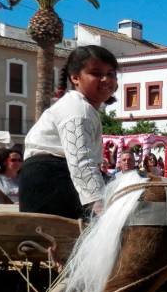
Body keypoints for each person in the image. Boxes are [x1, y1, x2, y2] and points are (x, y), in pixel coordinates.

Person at [19, 45, 119, 219]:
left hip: (53, 178)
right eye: (96, 73)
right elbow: (81, 162)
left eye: (110, 74)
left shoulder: (83, 107)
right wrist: (101, 207)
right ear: (75, 78)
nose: (106, 79)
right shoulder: (78, 109)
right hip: (50, 183)